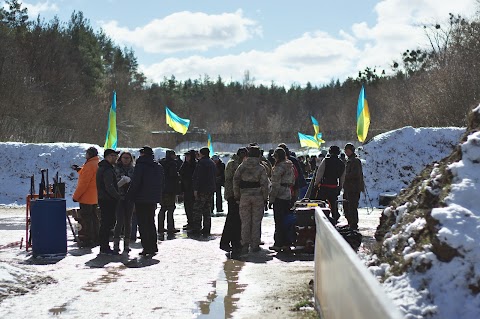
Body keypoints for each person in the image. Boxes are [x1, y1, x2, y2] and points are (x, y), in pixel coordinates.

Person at [127, 146, 164, 256]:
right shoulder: (158, 166)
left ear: (142, 154)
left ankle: (147, 247)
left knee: (143, 224)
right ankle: (153, 246)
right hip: (152, 199)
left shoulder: (140, 166)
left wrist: (130, 196)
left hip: (141, 198)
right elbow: (162, 182)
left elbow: (136, 183)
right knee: (151, 222)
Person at [233, 146, 269, 255]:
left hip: (244, 196)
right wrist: (265, 197)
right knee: (256, 221)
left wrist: (237, 196)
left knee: (245, 221)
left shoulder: (242, 166)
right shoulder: (261, 168)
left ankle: (245, 243)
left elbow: (235, 181)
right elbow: (265, 184)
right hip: (257, 196)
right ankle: (255, 244)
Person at [219, 147, 247, 258]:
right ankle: (227, 241)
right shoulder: (233, 164)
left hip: (237, 194)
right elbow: (232, 178)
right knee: (232, 219)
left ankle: (233, 240)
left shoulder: (239, 163)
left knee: (235, 219)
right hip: (232, 194)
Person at [72, 146, 100, 247]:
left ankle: (87, 239)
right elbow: (89, 175)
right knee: (94, 218)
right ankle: (96, 237)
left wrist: (76, 196)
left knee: (86, 219)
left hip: (86, 197)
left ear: (89, 154)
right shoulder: (96, 163)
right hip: (94, 196)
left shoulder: (89, 165)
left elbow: (84, 183)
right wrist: (79, 170)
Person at [269, 147, 295, 251]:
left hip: (279, 196)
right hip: (287, 194)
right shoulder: (290, 166)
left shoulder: (278, 168)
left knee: (278, 221)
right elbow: (293, 181)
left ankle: (278, 243)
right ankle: (287, 243)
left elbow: (275, 185)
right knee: (286, 220)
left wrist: (271, 199)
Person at [96, 148, 121, 254]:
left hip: (105, 198)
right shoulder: (107, 169)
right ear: (106, 157)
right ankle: (104, 246)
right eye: (112, 156)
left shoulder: (106, 167)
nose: (115, 158)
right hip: (107, 199)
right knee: (107, 223)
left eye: (115, 156)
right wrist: (117, 196)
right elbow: (109, 186)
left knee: (106, 223)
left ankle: (104, 245)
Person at [314, 145, 345, 225]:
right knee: (334, 204)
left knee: (320, 203)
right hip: (334, 186)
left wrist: (316, 183)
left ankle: (320, 218)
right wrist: (340, 186)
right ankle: (334, 218)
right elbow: (342, 177)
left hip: (324, 186)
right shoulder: (341, 163)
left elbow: (320, 173)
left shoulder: (326, 160)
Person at [190, 147, 216, 237]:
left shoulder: (201, 163)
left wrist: (195, 189)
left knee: (197, 210)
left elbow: (197, 177)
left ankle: (196, 228)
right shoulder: (212, 163)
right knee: (207, 210)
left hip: (202, 190)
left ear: (202, 154)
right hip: (210, 190)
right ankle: (206, 228)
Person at [112, 151, 135, 253]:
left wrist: (130, 182)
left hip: (130, 198)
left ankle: (127, 244)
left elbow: (136, 182)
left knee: (128, 221)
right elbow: (113, 183)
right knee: (119, 221)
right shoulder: (115, 168)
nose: (126, 160)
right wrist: (121, 182)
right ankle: (116, 244)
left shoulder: (133, 169)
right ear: (120, 158)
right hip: (119, 198)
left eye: (128, 158)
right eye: (124, 157)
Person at [342, 143, 364, 230]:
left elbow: (356, 174)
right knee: (346, 206)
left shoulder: (355, 161)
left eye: (347, 150)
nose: (346, 152)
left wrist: (345, 176)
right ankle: (350, 222)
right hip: (348, 187)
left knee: (352, 206)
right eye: (345, 151)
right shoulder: (349, 161)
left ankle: (353, 224)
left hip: (353, 188)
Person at [158, 150, 180, 234]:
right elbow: (173, 175)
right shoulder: (172, 163)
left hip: (162, 189)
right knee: (170, 208)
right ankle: (170, 227)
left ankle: (160, 227)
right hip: (170, 189)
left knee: (163, 208)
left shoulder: (161, 163)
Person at [179, 149, 197, 230]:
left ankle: (194, 223)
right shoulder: (184, 165)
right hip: (186, 189)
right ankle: (189, 222)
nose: (186, 157)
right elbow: (181, 175)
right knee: (187, 207)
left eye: (188, 156)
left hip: (193, 189)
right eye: (186, 156)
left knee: (193, 207)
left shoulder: (195, 165)